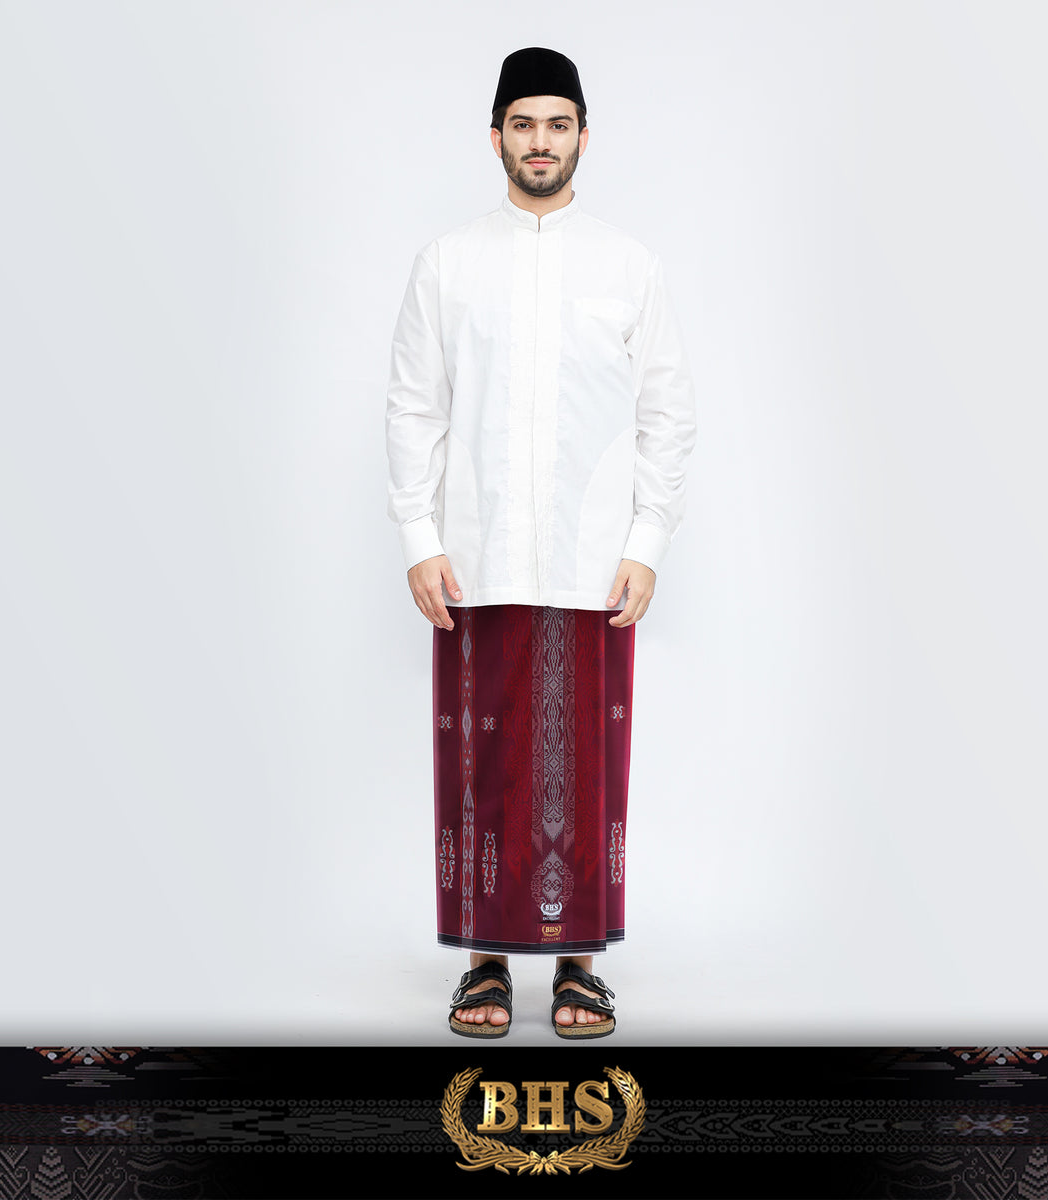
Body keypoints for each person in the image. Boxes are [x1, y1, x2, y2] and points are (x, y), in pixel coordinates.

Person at [385, 46, 696, 1039]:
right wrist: (420, 534)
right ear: (495, 137)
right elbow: (413, 407)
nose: (541, 141)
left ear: (584, 137)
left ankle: (579, 966)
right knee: (480, 761)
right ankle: (483, 963)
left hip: (591, 560)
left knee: (583, 765)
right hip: (475, 557)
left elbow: (667, 414)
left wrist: (646, 540)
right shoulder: (448, 263)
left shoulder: (627, 265)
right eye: (523, 124)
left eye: (558, 124)